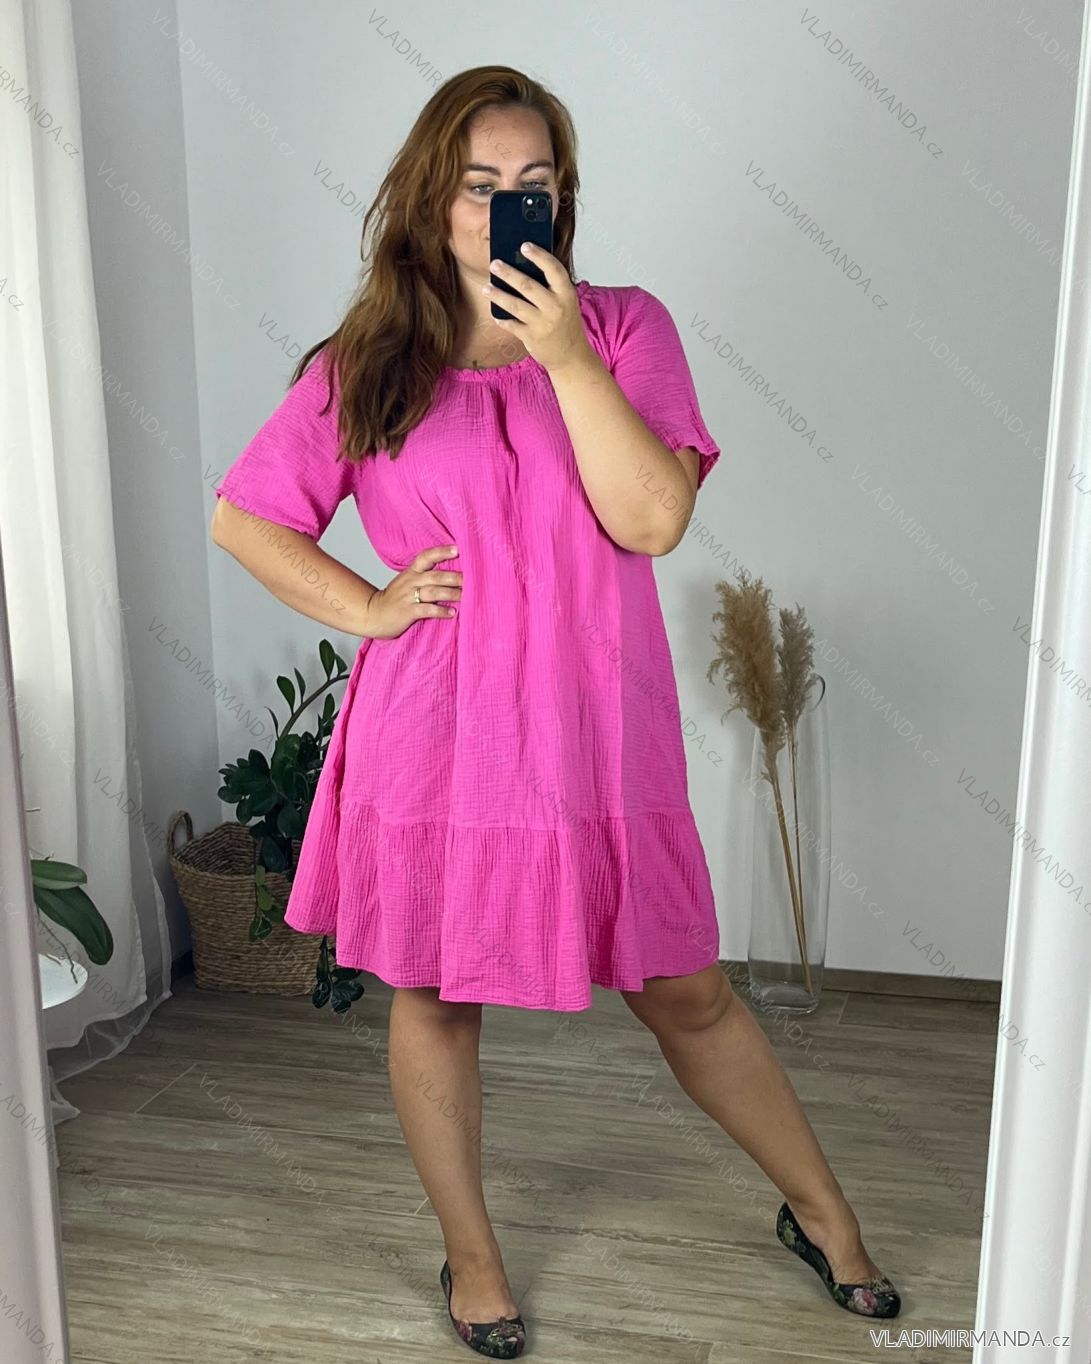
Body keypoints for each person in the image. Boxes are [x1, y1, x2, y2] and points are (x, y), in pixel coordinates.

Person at [211, 64, 900, 1361]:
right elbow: (246, 516)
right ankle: (473, 1261)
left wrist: (565, 354)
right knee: (433, 997)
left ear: (563, 200)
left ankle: (823, 1216)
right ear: (433, 200)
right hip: (438, 739)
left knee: (687, 992)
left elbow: (653, 518)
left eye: (533, 184)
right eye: (480, 186)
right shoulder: (368, 366)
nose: (506, 207)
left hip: (598, 734)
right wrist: (366, 607)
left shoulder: (626, 330)